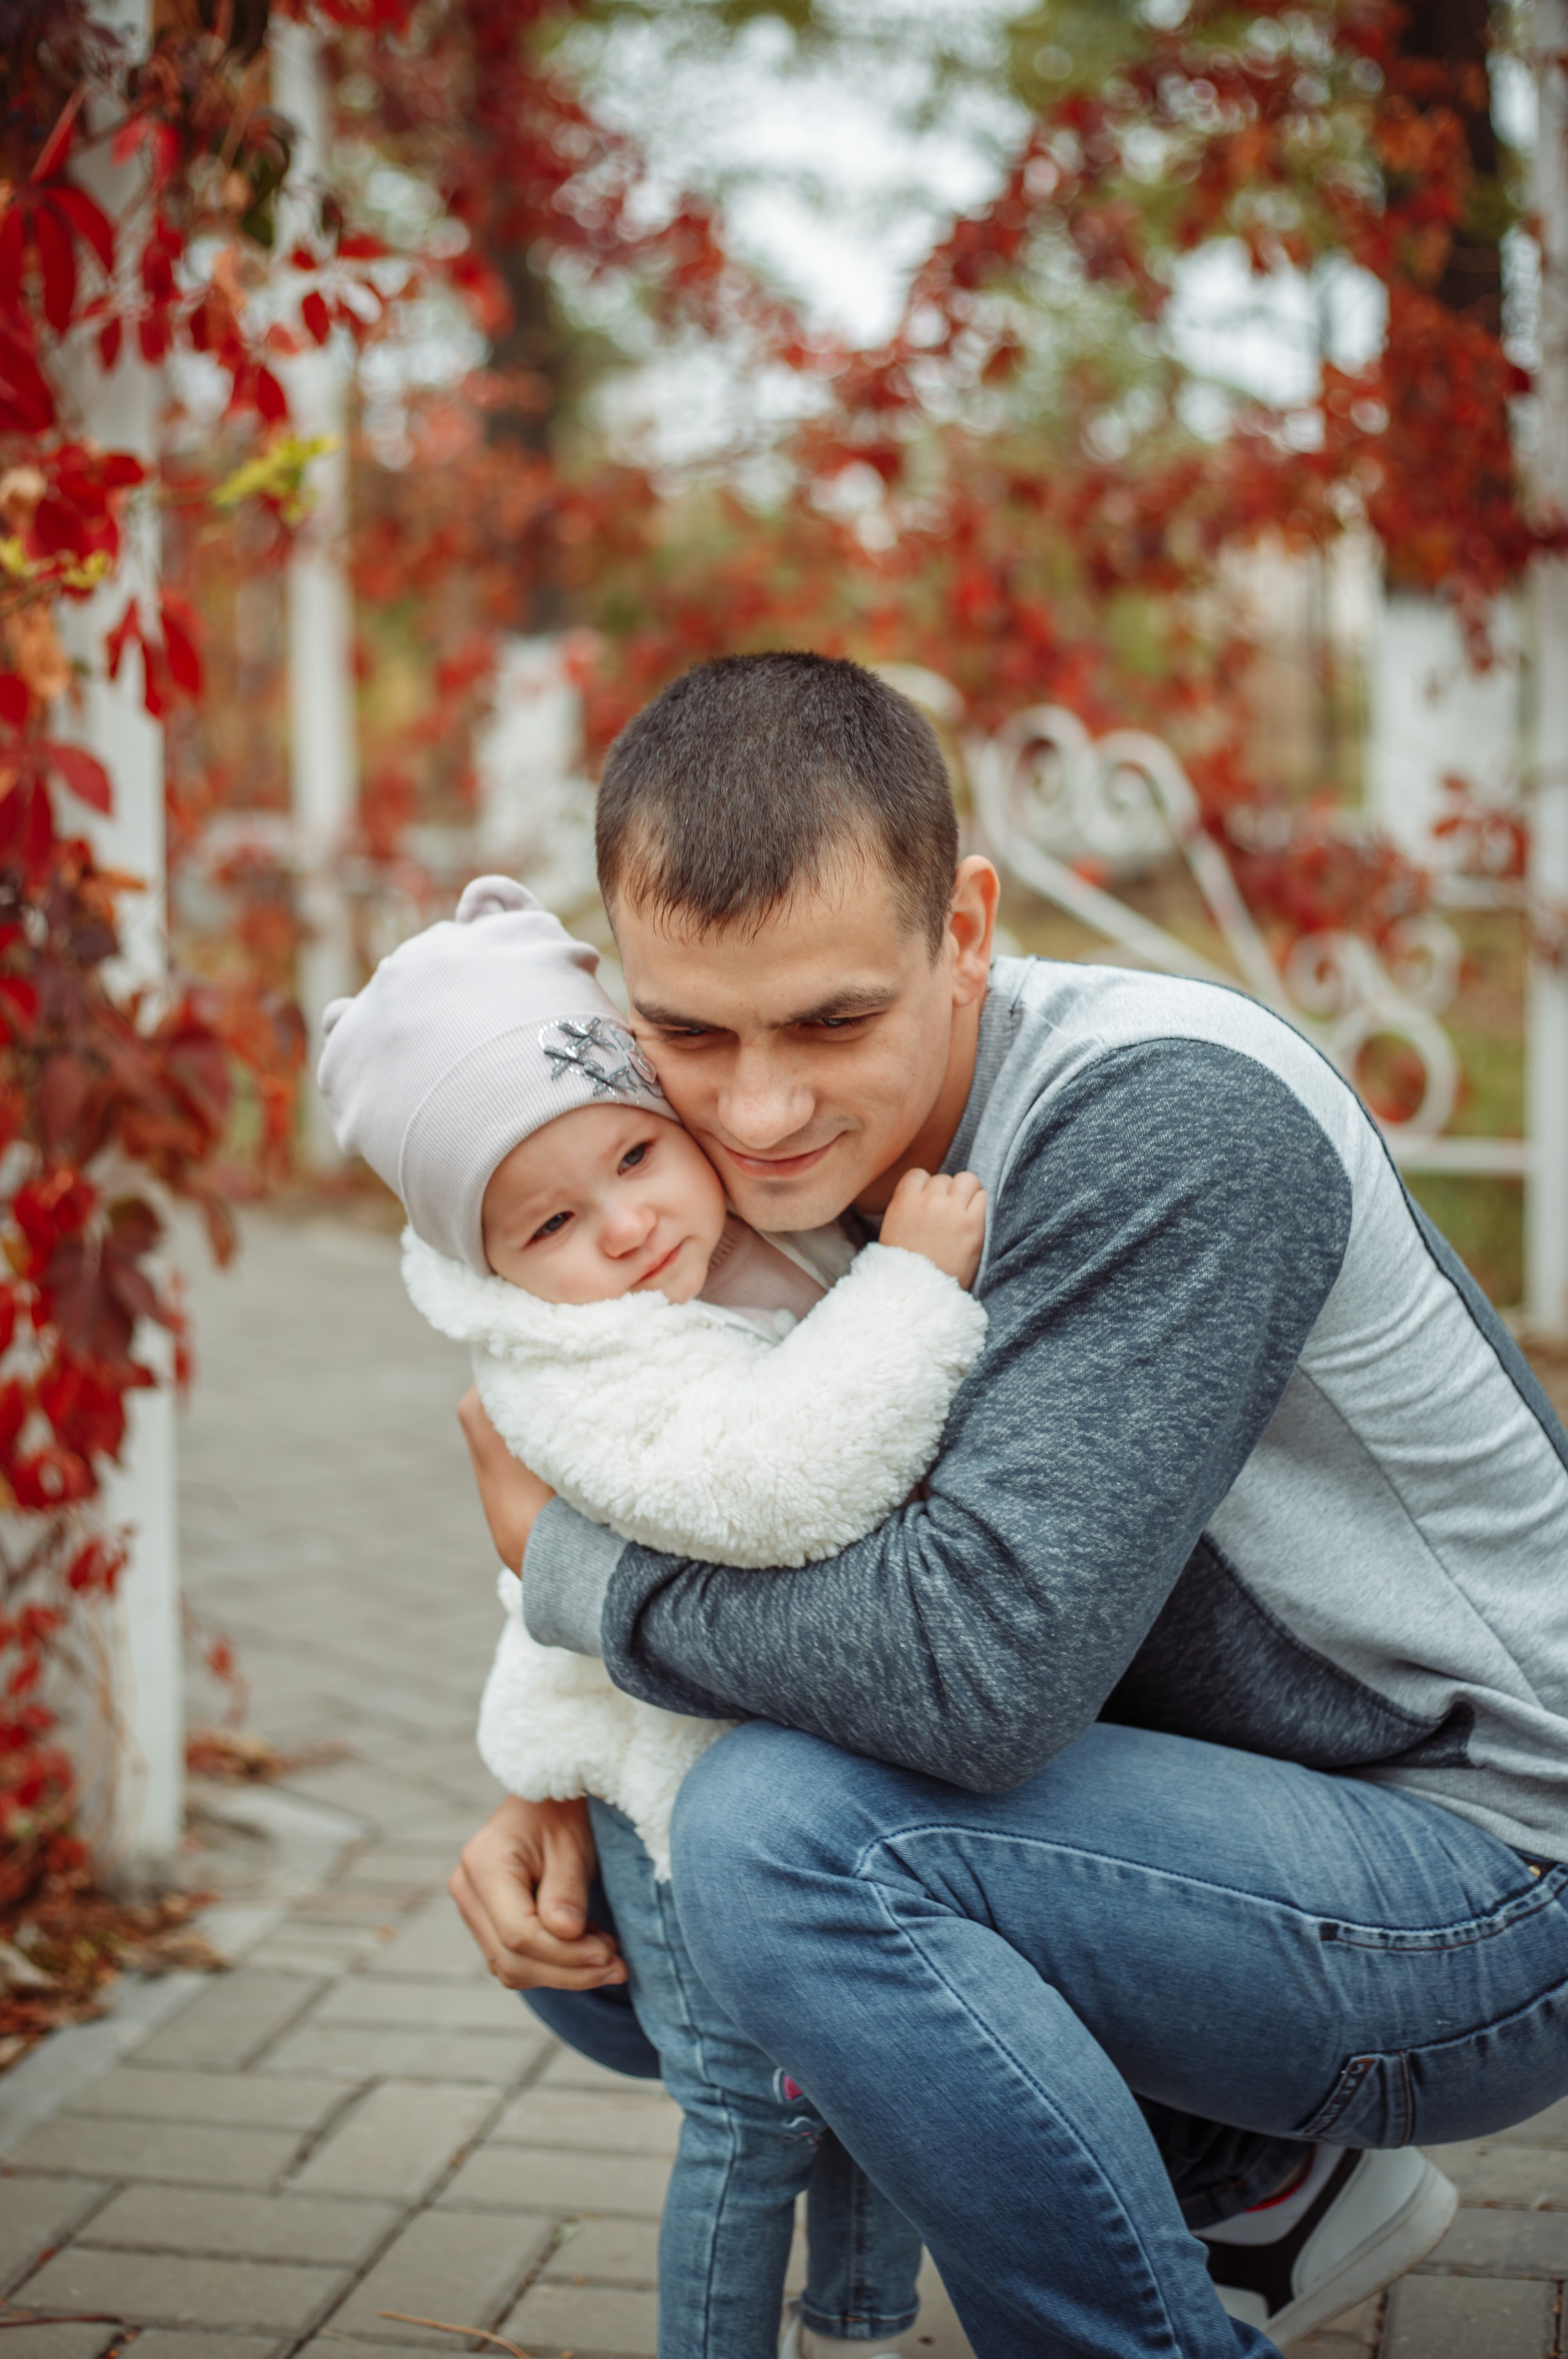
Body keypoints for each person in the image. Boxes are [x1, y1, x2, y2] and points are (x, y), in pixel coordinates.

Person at [450, 651, 1568, 2359]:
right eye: (690, 1030)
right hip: (1226, 1806)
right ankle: (1251, 2169)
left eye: (832, 1020)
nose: (758, 1109)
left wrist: (573, 1570)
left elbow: (975, 1675)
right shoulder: (748, 1176)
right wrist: (555, 1763)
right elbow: (774, 1525)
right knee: (639, 1908)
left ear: (965, 929)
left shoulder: (1173, 1122)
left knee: (777, 1840)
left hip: (1489, 1875)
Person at [317, 873, 992, 2359]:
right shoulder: (580, 1367)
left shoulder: (733, 1242)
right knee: (749, 2110)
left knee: (870, 2079)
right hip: (663, 1779)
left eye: (634, 1151)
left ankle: (864, 2322)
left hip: (798, 1750)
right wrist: (913, 1290)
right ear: (491, 1265)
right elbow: (776, 1488)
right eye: (554, 1220)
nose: (625, 1226)